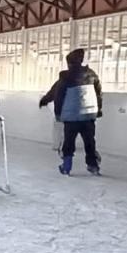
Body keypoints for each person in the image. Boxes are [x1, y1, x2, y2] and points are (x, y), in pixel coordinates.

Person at [40, 48, 103, 176]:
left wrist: (53, 109)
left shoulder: (65, 77)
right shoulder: (92, 75)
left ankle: (67, 166)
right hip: (88, 115)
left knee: (69, 142)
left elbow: (57, 95)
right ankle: (93, 166)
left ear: (69, 63)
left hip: (71, 116)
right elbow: (98, 94)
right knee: (89, 141)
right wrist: (98, 110)